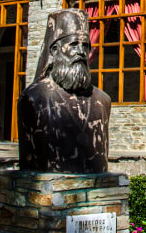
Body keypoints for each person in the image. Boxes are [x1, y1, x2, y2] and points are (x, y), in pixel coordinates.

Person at [17, 9, 110, 172]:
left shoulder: (102, 100)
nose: (81, 52)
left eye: (85, 46)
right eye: (74, 45)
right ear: (54, 50)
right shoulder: (34, 98)